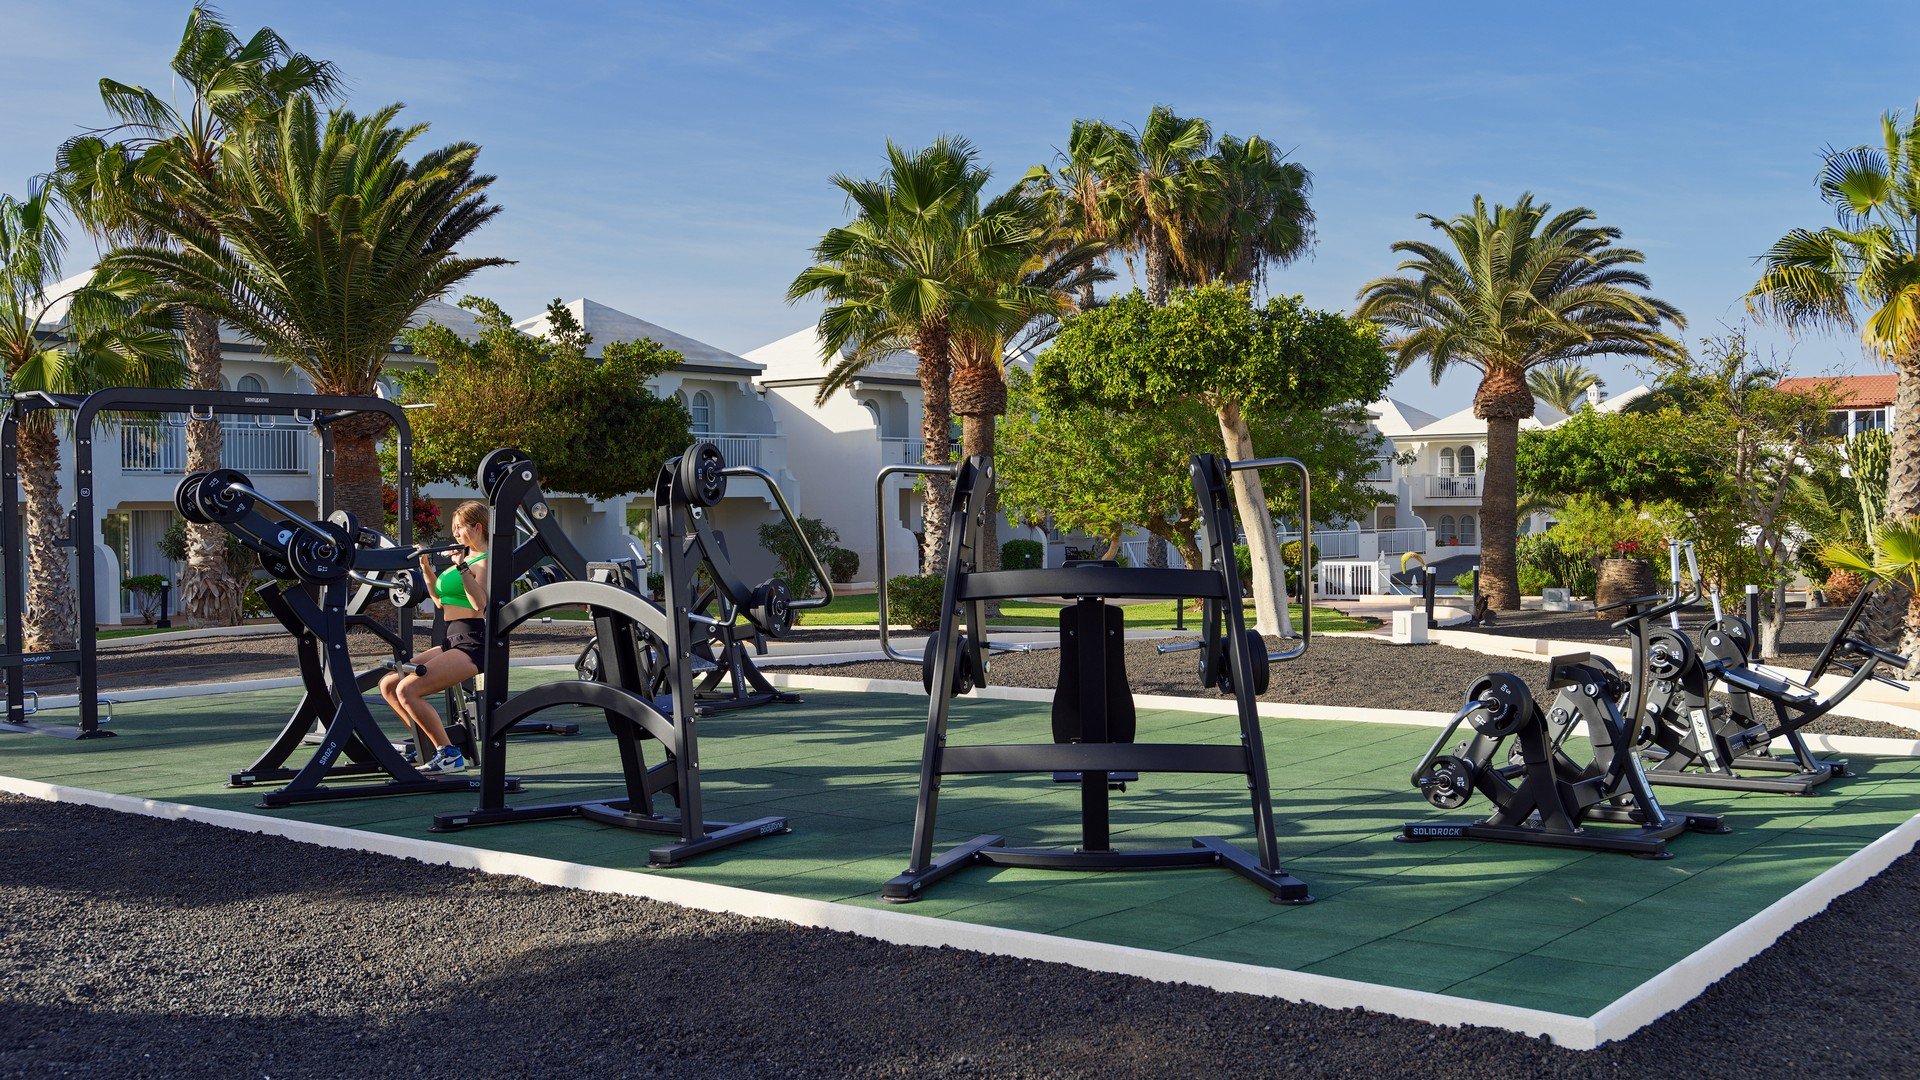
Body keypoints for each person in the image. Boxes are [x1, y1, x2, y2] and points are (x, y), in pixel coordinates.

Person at [378, 500, 491, 773]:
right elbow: (439, 601)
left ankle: (448, 754)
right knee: (389, 684)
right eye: (454, 527)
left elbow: (479, 604)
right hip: (451, 639)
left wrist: (462, 568)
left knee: (408, 690)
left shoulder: (484, 561)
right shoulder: (461, 561)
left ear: (477, 527)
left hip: (473, 641)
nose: (455, 533)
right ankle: (427, 746)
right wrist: (425, 566)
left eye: (460, 527)